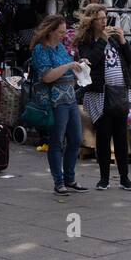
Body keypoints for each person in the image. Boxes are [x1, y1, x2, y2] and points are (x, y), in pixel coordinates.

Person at [77, 3, 131, 190]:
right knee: (103, 137)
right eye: (101, 19)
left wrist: (122, 41)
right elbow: (92, 62)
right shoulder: (86, 43)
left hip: (119, 93)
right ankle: (104, 178)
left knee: (120, 137)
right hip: (100, 96)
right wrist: (102, 40)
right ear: (92, 21)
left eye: (106, 18)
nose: (105, 22)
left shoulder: (113, 40)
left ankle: (124, 178)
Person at [29, 15, 89, 195]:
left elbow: (68, 67)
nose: (64, 35)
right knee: (56, 141)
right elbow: (47, 76)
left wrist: (80, 65)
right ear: (51, 31)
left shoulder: (61, 47)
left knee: (76, 139)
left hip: (70, 98)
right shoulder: (41, 50)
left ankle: (69, 178)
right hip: (55, 101)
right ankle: (59, 181)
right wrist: (70, 66)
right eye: (61, 32)